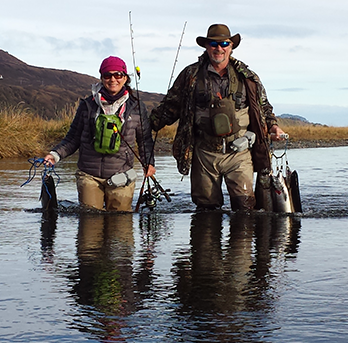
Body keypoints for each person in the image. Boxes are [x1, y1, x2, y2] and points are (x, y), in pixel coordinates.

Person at [150, 24, 286, 211]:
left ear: (231, 46)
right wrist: (147, 125)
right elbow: (171, 106)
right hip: (203, 153)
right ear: (206, 46)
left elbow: (263, 107)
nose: (219, 48)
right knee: (206, 211)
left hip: (239, 153)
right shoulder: (190, 74)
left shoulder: (247, 76)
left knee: (245, 208)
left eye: (224, 43)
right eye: (214, 43)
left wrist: (273, 126)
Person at [44, 56, 156, 212]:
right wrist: (55, 155)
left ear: (125, 78)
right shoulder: (87, 105)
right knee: (90, 228)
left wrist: (149, 162)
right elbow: (73, 138)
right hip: (89, 176)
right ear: (101, 78)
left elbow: (144, 139)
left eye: (118, 75)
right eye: (107, 75)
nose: (113, 79)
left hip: (122, 176)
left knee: (120, 233)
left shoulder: (137, 107)